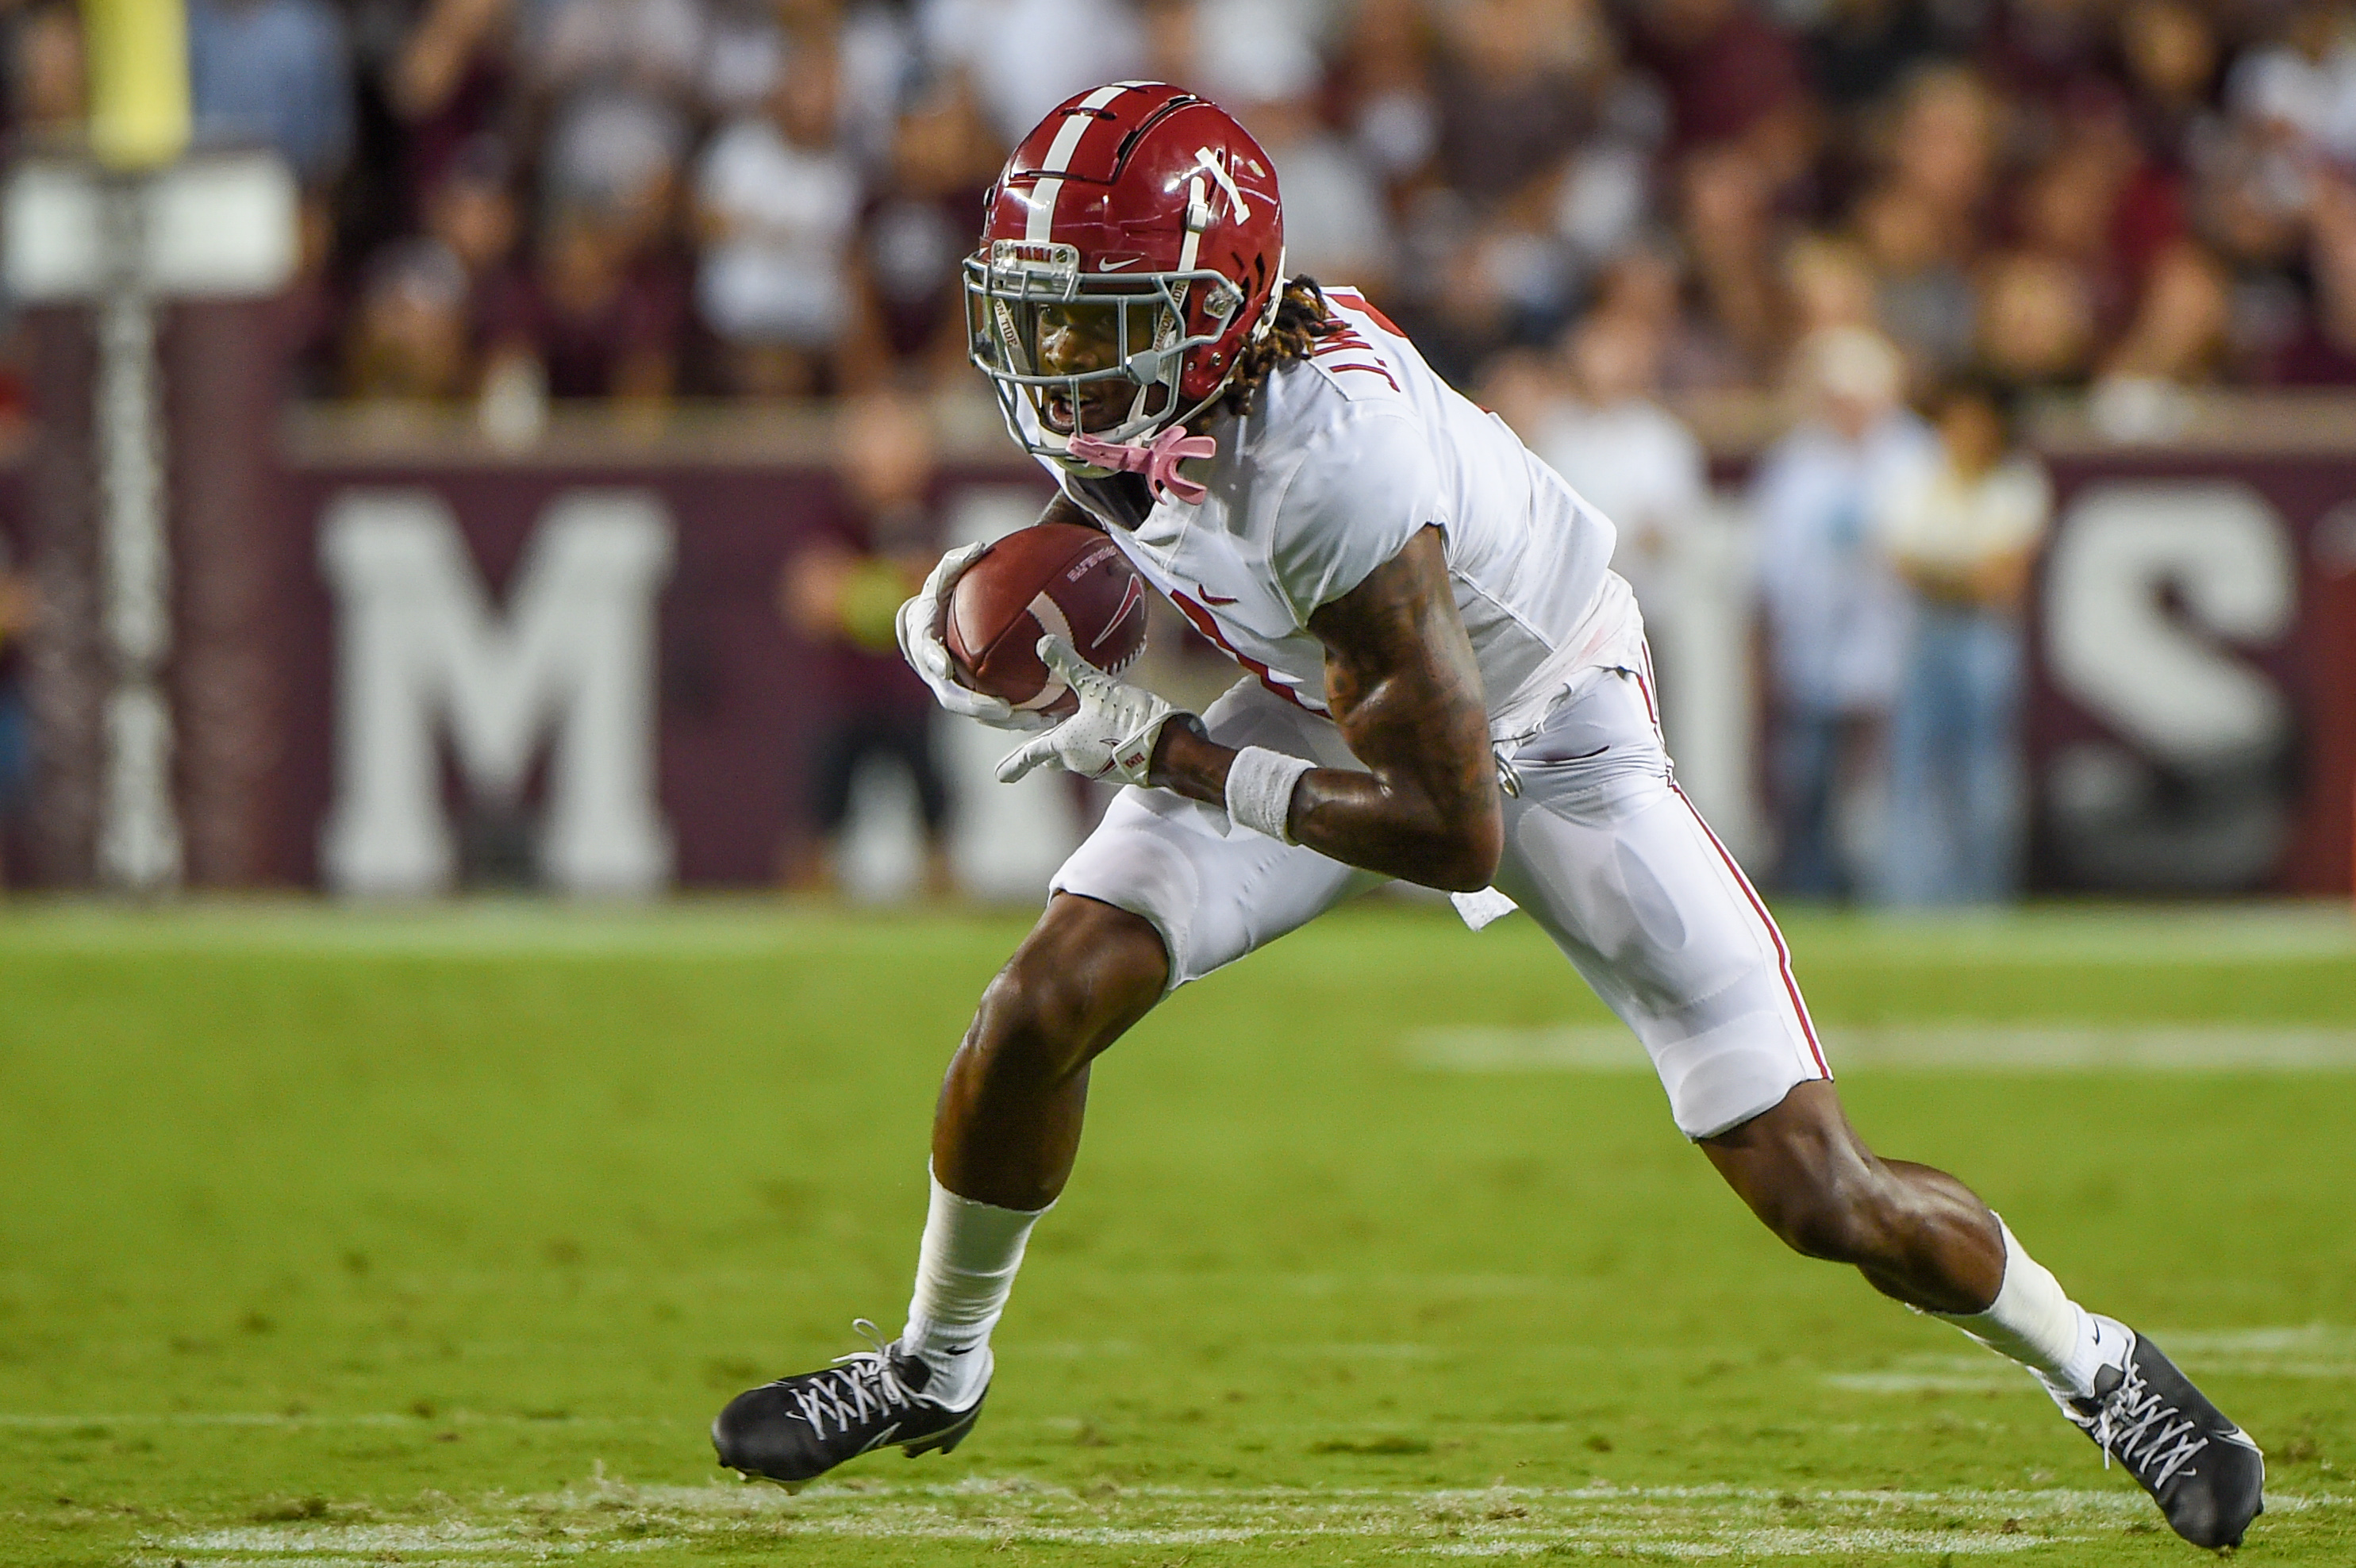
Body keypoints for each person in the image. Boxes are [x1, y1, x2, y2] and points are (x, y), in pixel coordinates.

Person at [711, 83, 2264, 1551]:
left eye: (1091, 316)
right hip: (1336, 693)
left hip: (1538, 741)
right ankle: (934, 1363)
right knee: (1038, 1001)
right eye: (1033, 303)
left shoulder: (1336, 461)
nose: (1049, 351)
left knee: (1819, 1193)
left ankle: (2098, 1364)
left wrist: (1159, 750)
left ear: (1209, 311)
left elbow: (1448, 830)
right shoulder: (1163, 382)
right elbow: (1108, 526)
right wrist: (946, 617)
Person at [1751, 326, 1928, 899]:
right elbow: (1772, 565)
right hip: (1814, 646)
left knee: (1892, 783)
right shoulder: (1797, 461)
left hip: (1897, 646)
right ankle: (1809, 890)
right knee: (1807, 781)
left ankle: (1894, 892)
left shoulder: (1913, 453)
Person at [1874, 375, 2050, 905]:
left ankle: (1981, 899)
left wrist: (1941, 569)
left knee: (1983, 772)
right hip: (1926, 633)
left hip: (1981, 637)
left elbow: (2000, 580)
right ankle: (1911, 902)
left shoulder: (2015, 482)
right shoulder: (1916, 474)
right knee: (1914, 770)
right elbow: (1900, 562)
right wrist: (1964, 570)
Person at [778, 391, 954, 894]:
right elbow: (811, 598)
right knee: (821, 816)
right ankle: (806, 903)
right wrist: (883, 591)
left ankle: (940, 899)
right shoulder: (829, 513)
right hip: (845, 692)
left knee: (935, 815)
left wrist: (860, 590)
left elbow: (941, 590)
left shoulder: (927, 509)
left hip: (910, 691)